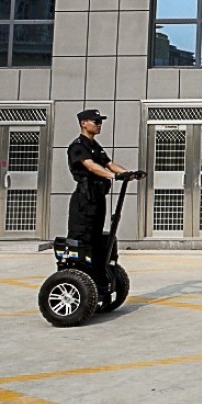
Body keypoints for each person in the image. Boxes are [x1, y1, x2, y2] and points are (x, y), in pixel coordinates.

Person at [66, 108, 138, 289]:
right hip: (84, 198)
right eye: (95, 122)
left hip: (98, 197)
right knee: (83, 235)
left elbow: (109, 164)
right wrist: (113, 177)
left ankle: (98, 276)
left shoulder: (95, 146)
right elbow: (90, 166)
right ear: (84, 123)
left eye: (100, 122)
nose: (99, 125)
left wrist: (128, 173)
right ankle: (77, 276)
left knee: (98, 237)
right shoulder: (78, 146)